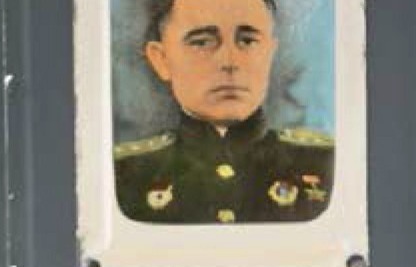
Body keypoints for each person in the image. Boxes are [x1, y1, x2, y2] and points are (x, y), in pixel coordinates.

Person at [114, 0, 334, 224]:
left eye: (247, 41)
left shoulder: (324, 163)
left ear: (269, 53)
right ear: (161, 59)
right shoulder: (124, 172)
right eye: (202, 42)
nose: (229, 62)